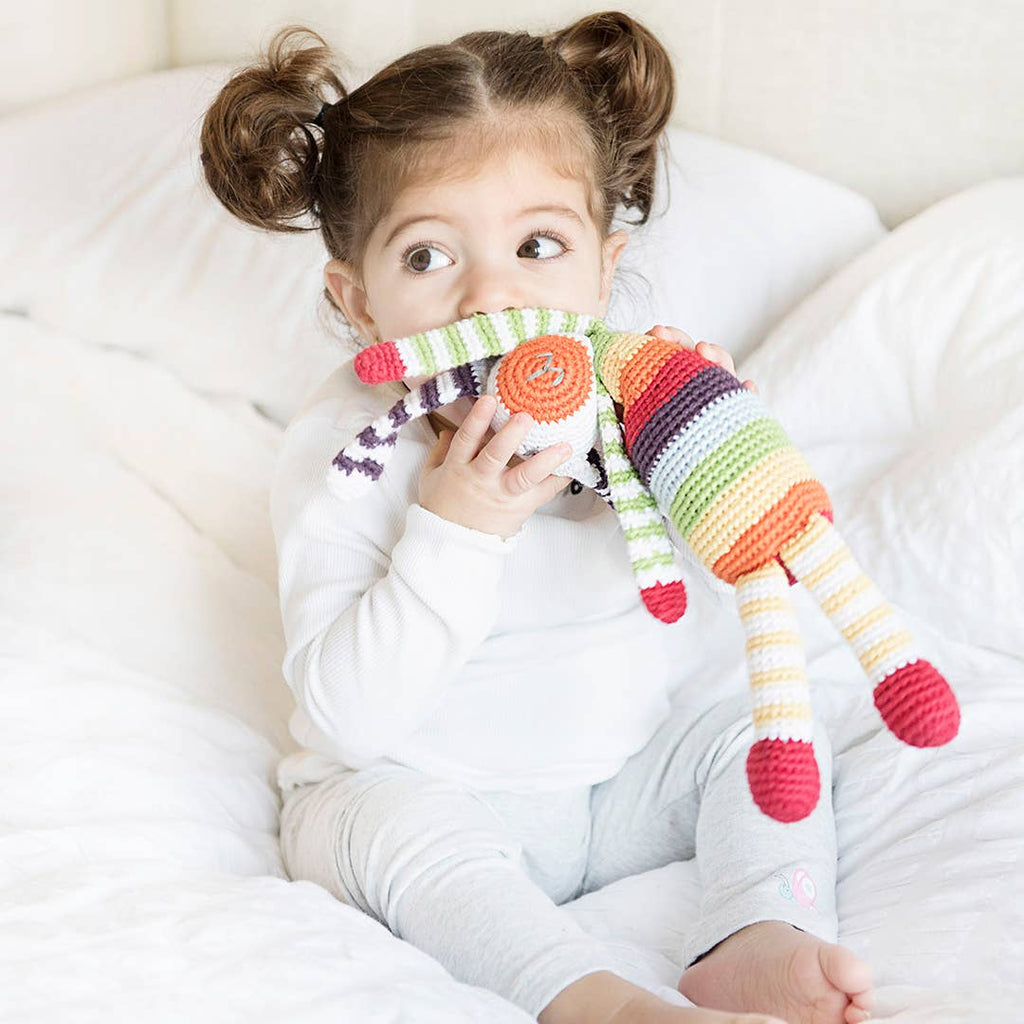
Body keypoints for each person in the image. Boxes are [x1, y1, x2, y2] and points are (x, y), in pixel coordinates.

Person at [199, 13, 875, 1024]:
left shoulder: (635, 401)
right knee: (368, 817)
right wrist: (456, 525)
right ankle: (581, 991)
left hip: (616, 789)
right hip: (434, 787)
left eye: (538, 245)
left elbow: (698, 629)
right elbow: (346, 718)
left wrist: (709, 479)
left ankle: (756, 927)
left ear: (603, 270)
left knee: (764, 728)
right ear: (358, 301)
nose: (491, 295)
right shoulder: (350, 452)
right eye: (428, 258)